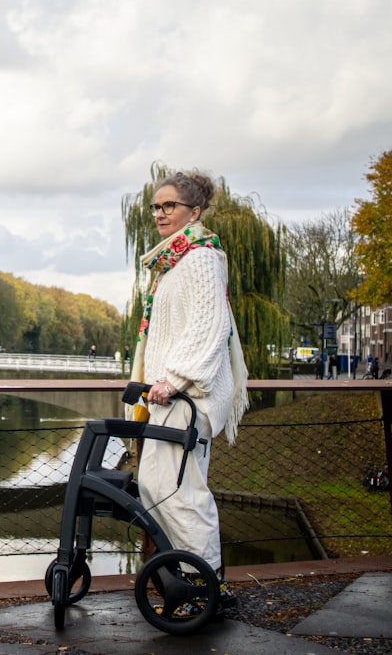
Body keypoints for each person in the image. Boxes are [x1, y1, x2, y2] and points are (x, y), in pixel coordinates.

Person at [127, 170, 249, 617]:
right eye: (156, 207)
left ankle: (208, 586)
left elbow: (208, 326)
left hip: (186, 396)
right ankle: (187, 581)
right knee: (157, 485)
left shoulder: (199, 258)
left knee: (180, 491)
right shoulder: (174, 261)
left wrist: (174, 379)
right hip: (172, 396)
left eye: (169, 206)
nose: (159, 214)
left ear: (194, 212)